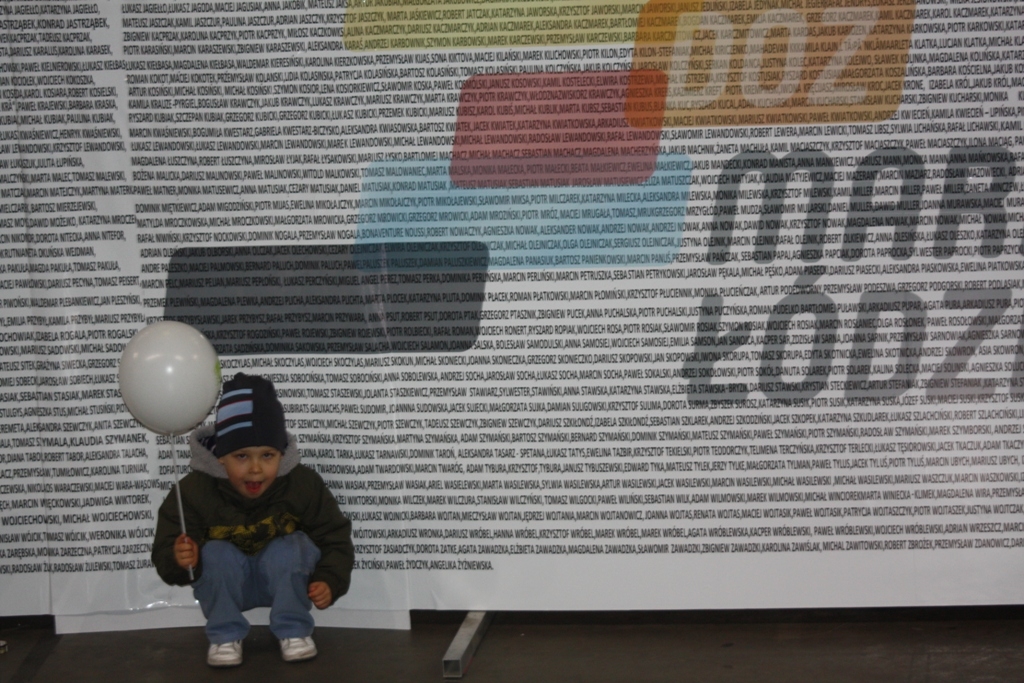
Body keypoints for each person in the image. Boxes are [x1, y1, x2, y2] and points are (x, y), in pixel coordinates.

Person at [151, 373, 354, 667]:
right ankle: (224, 634)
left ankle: (294, 629)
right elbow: (166, 546)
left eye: (267, 455)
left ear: (281, 453)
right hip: (229, 586)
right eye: (242, 456)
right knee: (215, 552)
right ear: (221, 456)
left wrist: (329, 580)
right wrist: (181, 559)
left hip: (284, 583)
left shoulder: (303, 484)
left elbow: (334, 537)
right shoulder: (194, 491)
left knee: (293, 546)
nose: (256, 469)